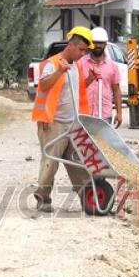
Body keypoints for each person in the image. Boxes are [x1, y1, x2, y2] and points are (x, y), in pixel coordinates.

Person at [31, 26, 99, 212]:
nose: (83, 54)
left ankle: (89, 198)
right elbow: (44, 85)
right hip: (54, 124)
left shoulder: (75, 66)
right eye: (81, 50)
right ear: (71, 45)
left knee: (78, 162)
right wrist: (59, 72)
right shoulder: (53, 64)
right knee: (50, 162)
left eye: (85, 51)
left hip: (73, 124)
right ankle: (43, 199)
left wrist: (89, 80)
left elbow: (73, 90)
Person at [79, 27, 122, 128]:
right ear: (90, 44)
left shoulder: (113, 66)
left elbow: (116, 90)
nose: (98, 45)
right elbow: (76, 88)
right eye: (95, 42)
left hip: (105, 116)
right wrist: (89, 79)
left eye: (101, 43)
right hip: (84, 115)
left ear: (105, 44)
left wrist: (119, 113)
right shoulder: (81, 63)